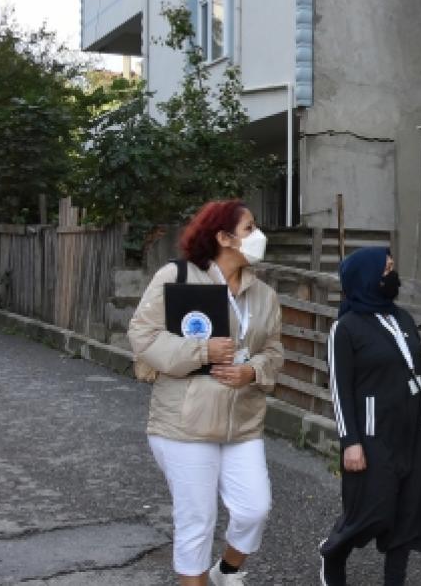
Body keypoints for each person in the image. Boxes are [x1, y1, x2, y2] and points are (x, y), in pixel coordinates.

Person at [127, 200, 284, 586]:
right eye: (249, 228)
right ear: (223, 238)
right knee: (197, 520)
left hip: (242, 422)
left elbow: (273, 351)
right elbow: (142, 335)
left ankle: (225, 570)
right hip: (186, 422)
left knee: (254, 509)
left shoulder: (264, 294)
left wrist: (252, 370)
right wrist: (202, 351)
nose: (258, 235)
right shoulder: (177, 276)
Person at [318, 247, 421, 586]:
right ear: (367, 277)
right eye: (386, 270)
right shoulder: (345, 328)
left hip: (414, 433)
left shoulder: (402, 318)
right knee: (370, 511)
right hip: (373, 437)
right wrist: (350, 442)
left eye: (391, 268)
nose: (392, 275)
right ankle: (333, 554)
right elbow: (340, 391)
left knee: (408, 515)